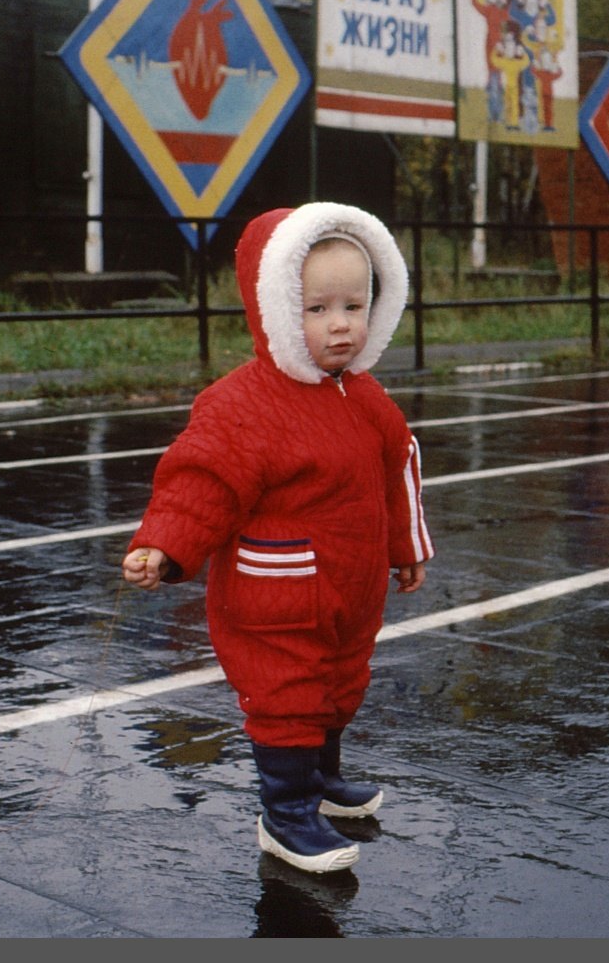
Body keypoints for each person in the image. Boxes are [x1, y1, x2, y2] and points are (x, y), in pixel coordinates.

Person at [121, 202, 434, 875]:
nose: (341, 323)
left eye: (354, 303)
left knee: (340, 683)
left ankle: (320, 778)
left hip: (349, 592)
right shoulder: (243, 404)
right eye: (317, 309)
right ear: (272, 310)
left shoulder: (364, 396)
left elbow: (398, 465)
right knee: (288, 695)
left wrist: (405, 548)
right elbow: (200, 476)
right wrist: (166, 544)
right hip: (277, 597)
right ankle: (285, 812)